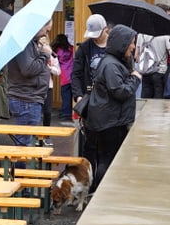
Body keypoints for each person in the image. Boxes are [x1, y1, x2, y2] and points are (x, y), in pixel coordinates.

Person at [83, 24, 140, 193]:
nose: (133, 46)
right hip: (109, 121)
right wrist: (135, 79)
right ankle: (99, 194)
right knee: (107, 160)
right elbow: (120, 92)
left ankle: (100, 192)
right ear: (122, 44)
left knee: (106, 158)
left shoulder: (115, 62)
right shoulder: (110, 65)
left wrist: (129, 64)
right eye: (131, 42)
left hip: (110, 119)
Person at [6, 20, 52, 148]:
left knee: (25, 141)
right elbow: (28, 69)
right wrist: (44, 55)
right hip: (26, 98)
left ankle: (22, 167)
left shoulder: (30, 42)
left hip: (29, 97)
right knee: (24, 144)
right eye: (46, 30)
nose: (46, 34)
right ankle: (22, 168)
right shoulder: (24, 43)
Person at [71, 14, 109, 156]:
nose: (94, 37)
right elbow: (76, 74)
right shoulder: (85, 48)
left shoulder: (114, 47)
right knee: (89, 144)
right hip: (89, 100)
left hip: (108, 102)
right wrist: (79, 96)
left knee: (106, 145)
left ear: (105, 30)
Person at [51, 33, 74, 121]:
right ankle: (71, 112)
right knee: (72, 95)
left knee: (65, 96)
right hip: (72, 74)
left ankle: (66, 113)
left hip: (64, 77)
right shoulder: (71, 49)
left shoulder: (57, 51)